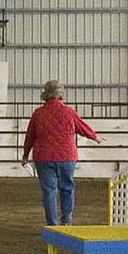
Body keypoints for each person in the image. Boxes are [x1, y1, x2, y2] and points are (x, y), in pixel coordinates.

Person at [21, 79, 101, 225]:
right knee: (67, 187)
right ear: (61, 94)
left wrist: (25, 155)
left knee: (49, 192)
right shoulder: (69, 112)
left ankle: (52, 224)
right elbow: (82, 127)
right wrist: (95, 137)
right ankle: (67, 220)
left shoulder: (38, 114)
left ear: (45, 94)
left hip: (44, 157)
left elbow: (30, 137)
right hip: (67, 156)